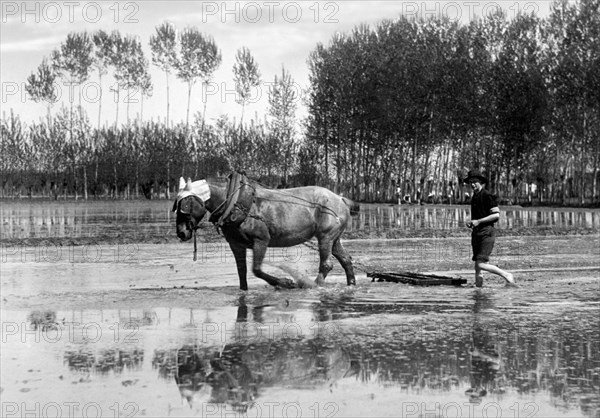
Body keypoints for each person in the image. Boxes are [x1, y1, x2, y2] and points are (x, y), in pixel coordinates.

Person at [464, 169, 516, 287]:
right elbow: (478, 218)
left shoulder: (487, 196)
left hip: (487, 233)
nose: (472, 184)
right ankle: (478, 289)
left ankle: (507, 275)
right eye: (470, 182)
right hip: (476, 233)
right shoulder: (474, 197)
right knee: (478, 267)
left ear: (481, 182)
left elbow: (496, 215)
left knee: (481, 264)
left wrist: (478, 221)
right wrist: (472, 223)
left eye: (475, 182)